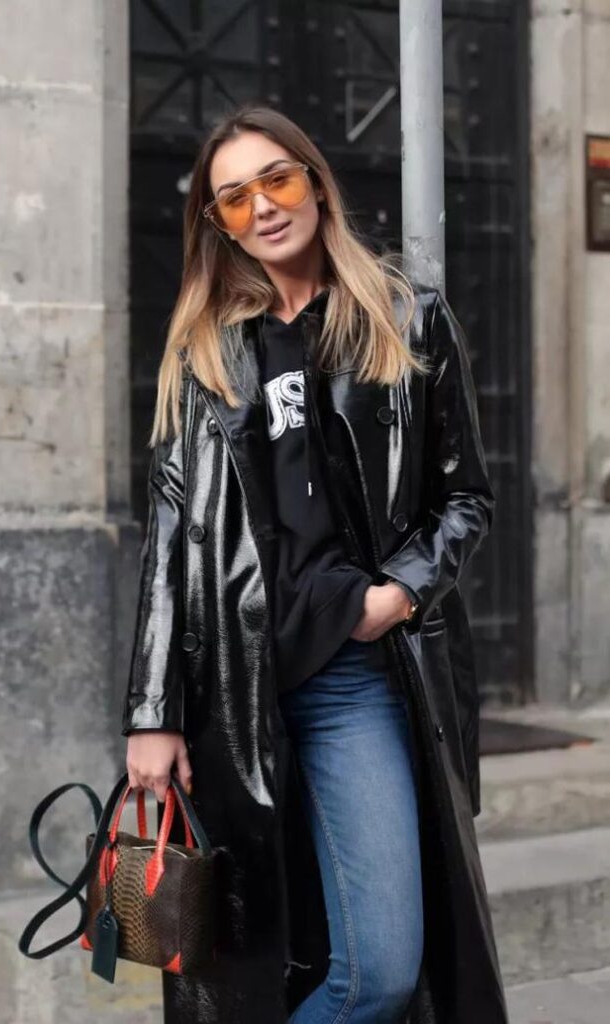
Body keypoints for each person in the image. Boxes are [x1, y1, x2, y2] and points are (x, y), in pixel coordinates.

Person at [122, 104, 509, 1024]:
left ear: (315, 182)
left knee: (379, 972)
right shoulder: (206, 346)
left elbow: (465, 498)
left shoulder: (406, 319)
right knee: (255, 968)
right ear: (218, 223)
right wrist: (151, 713)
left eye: (276, 179)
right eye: (234, 197)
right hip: (231, 687)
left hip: (350, 676)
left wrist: (395, 596)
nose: (261, 207)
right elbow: (170, 540)